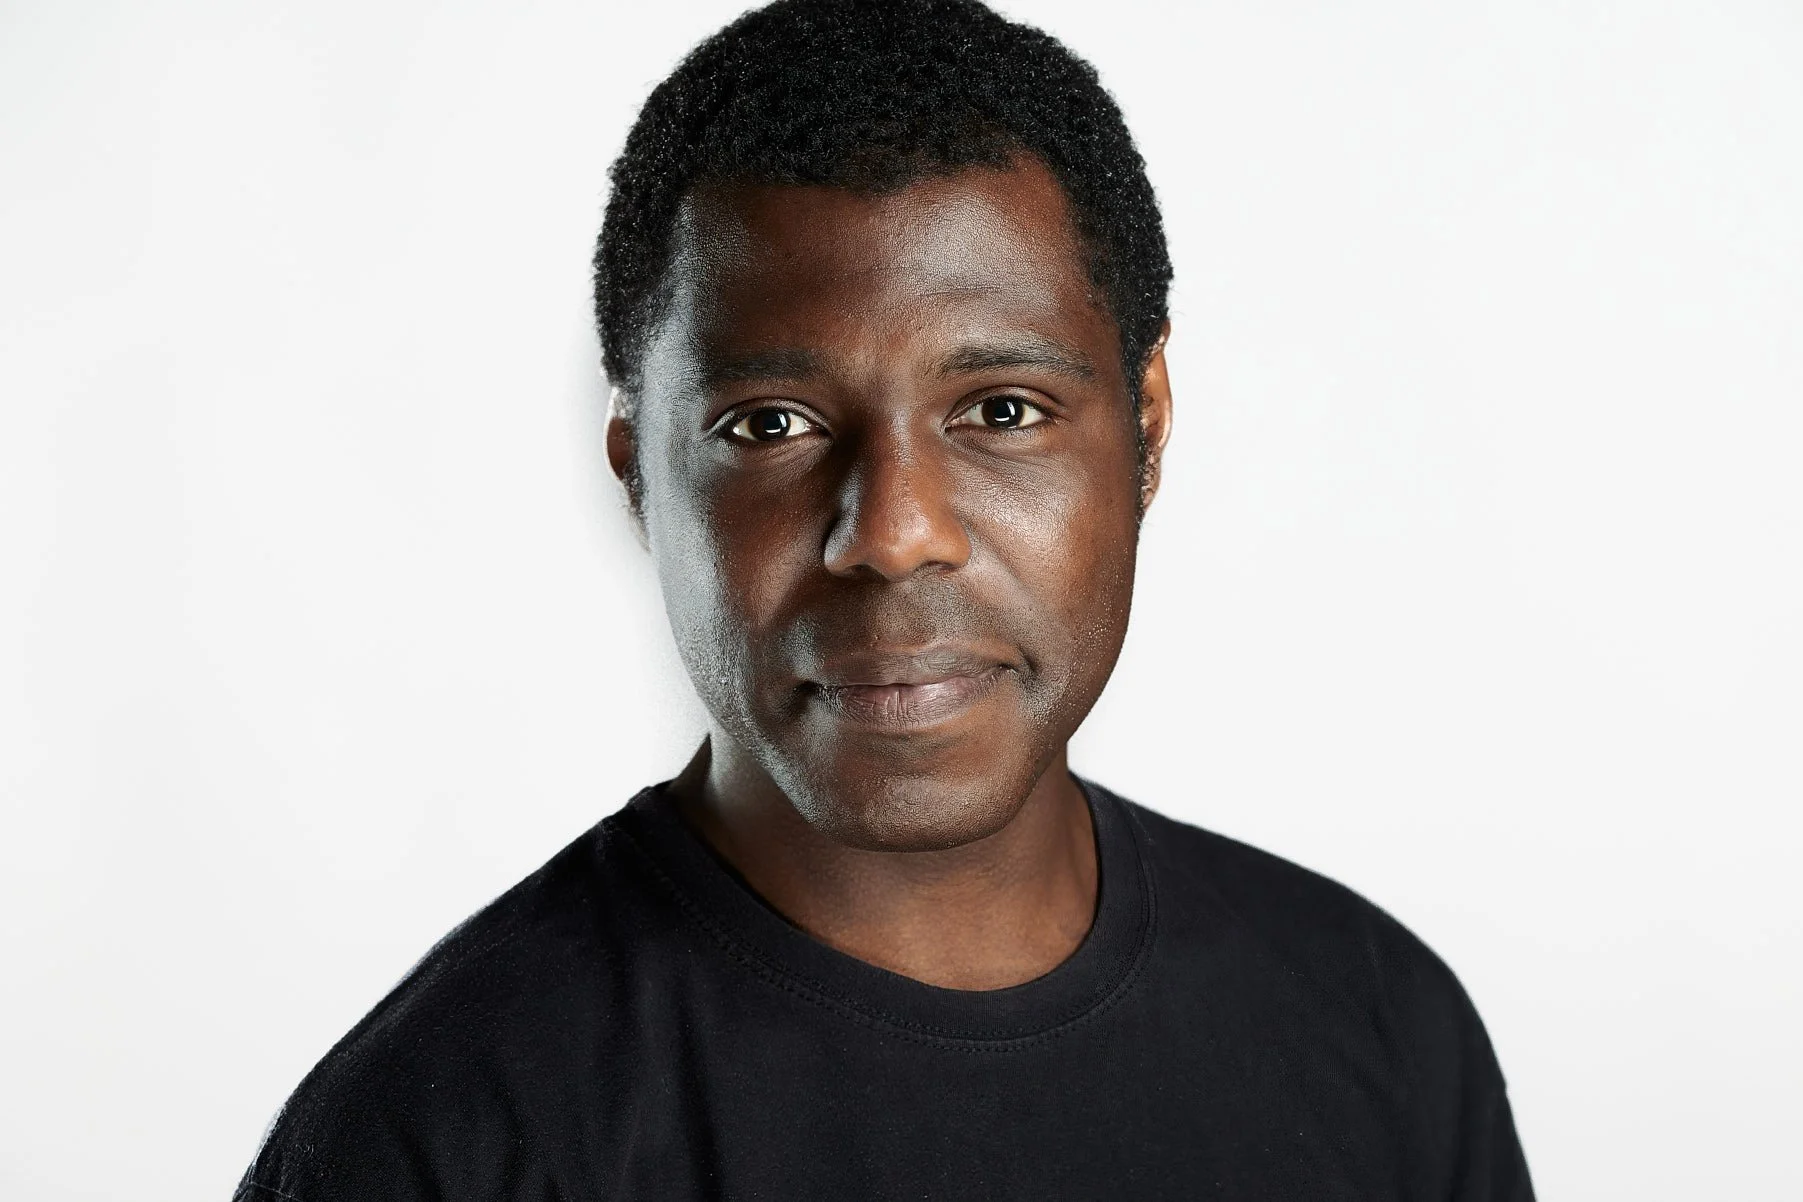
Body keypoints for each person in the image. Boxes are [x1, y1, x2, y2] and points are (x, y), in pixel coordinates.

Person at [235, 1, 1534, 1197]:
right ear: (636, 474)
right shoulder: (439, 1137)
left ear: (1144, 429)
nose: (894, 534)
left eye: (1000, 410)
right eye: (772, 422)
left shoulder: (1374, 1027)